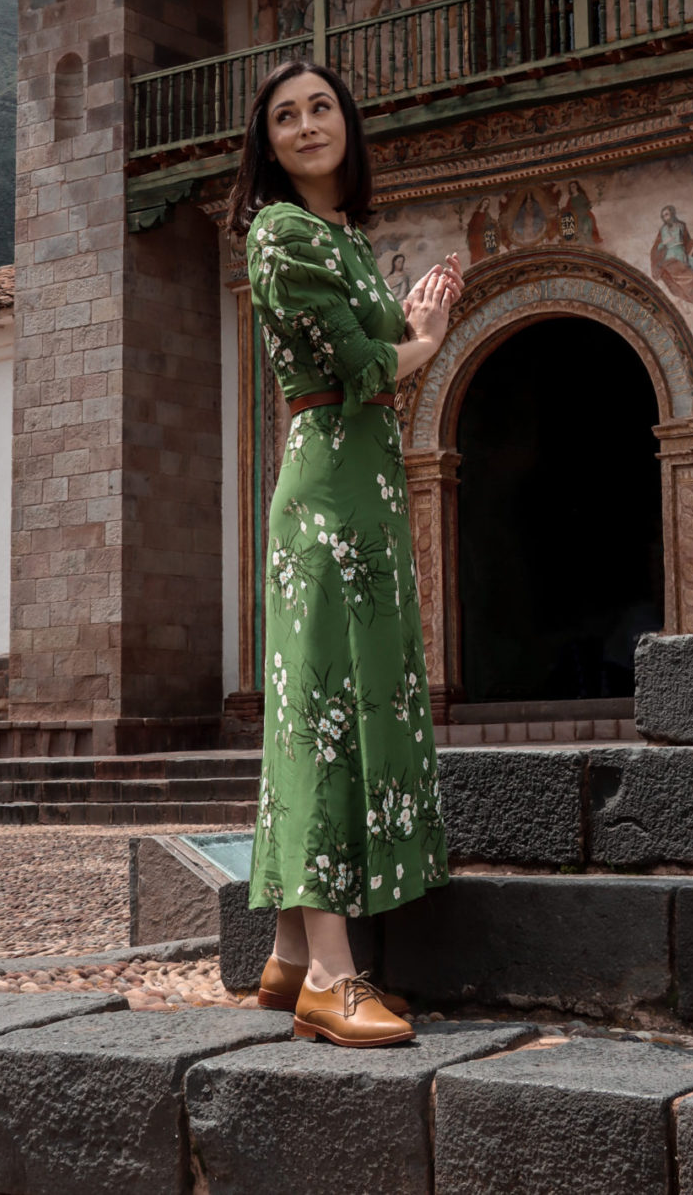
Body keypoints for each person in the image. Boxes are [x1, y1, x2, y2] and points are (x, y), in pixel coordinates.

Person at [225, 60, 464, 1048]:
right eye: (286, 115)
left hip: (365, 487)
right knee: (321, 705)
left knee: (320, 694)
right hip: (325, 489)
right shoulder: (279, 234)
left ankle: (286, 952)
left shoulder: (346, 241)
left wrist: (408, 335)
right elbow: (359, 368)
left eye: (322, 106)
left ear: (348, 126)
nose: (307, 123)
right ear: (268, 144)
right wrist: (425, 337)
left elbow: (380, 371)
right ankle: (331, 975)